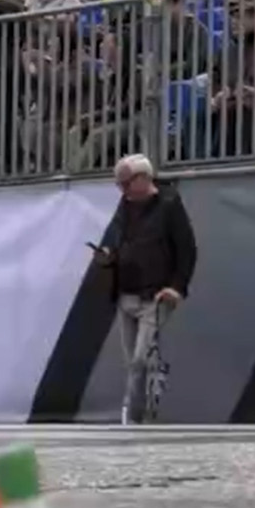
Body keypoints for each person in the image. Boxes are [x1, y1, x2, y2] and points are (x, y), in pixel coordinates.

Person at [91, 154, 196, 425]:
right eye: (119, 185)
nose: (123, 190)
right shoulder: (125, 206)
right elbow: (120, 242)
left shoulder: (168, 204)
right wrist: (109, 256)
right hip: (126, 292)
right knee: (133, 362)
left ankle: (132, 414)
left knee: (140, 358)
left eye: (126, 183)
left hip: (156, 295)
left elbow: (186, 248)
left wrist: (176, 287)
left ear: (143, 178)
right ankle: (141, 411)